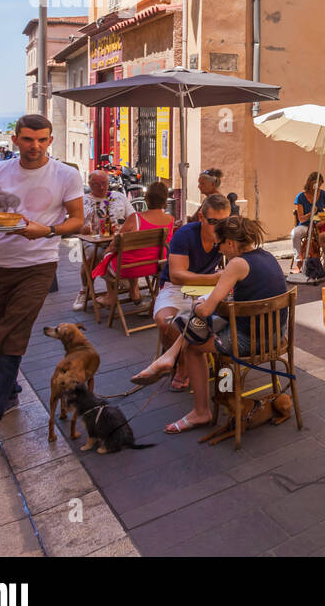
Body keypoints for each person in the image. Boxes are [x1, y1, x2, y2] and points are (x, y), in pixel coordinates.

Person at [0, 114, 84, 455]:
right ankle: (9, 387)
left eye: (42, 140)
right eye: (28, 139)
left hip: (38, 265)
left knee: (12, 335)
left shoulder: (66, 175)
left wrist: (51, 231)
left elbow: (77, 221)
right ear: (15, 140)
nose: (35, 146)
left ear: (50, 141)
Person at [132, 215, 288, 434]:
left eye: (221, 244)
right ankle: (169, 359)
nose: (220, 249)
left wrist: (197, 306)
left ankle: (201, 411)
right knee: (204, 323)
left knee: (195, 343)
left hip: (251, 341)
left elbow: (205, 310)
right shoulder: (267, 256)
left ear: (231, 243)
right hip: (276, 335)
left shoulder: (236, 264)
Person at [152, 192, 232, 391]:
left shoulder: (225, 235)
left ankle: (190, 361)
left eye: (226, 221)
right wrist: (215, 278)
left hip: (206, 290)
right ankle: (183, 363)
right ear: (201, 218)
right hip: (176, 288)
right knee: (166, 322)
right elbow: (177, 275)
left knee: (223, 321)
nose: (220, 227)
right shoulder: (186, 234)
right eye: (214, 221)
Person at [90, 181, 174, 310]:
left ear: (146, 198)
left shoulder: (135, 218)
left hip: (127, 268)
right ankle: (134, 291)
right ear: (164, 200)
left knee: (105, 255)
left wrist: (108, 249)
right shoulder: (170, 220)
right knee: (134, 253)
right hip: (156, 267)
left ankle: (111, 296)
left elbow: (116, 243)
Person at [72, 169, 131, 311]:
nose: (102, 187)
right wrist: (81, 229)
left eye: (104, 183)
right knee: (94, 255)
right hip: (94, 240)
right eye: (97, 185)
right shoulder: (83, 201)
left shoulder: (119, 196)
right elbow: (74, 225)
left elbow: (132, 217)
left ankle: (121, 280)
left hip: (118, 239)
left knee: (132, 249)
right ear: (90, 185)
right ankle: (85, 289)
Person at [290, 172, 325, 275]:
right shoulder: (300, 197)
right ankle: (299, 262)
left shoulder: (323, 194)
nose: (318, 187)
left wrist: (323, 220)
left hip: (320, 226)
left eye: (320, 184)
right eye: (316, 184)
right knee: (295, 233)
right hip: (305, 226)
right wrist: (310, 213)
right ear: (310, 183)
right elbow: (301, 219)